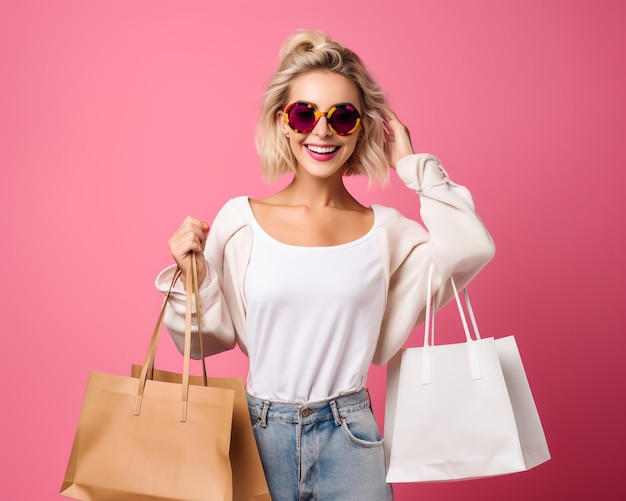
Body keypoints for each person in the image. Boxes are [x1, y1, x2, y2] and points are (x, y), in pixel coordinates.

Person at [156, 29, 495, 501]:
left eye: (342, 116)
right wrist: (186, 276)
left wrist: (415, 165)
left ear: (361, 128)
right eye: (304, 114)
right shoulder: (240, 222)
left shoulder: (387, 232)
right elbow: (203, 342)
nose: (321, 131)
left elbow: (469, 246)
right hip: (256, 437)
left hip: (350, 438)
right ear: (283, 123)